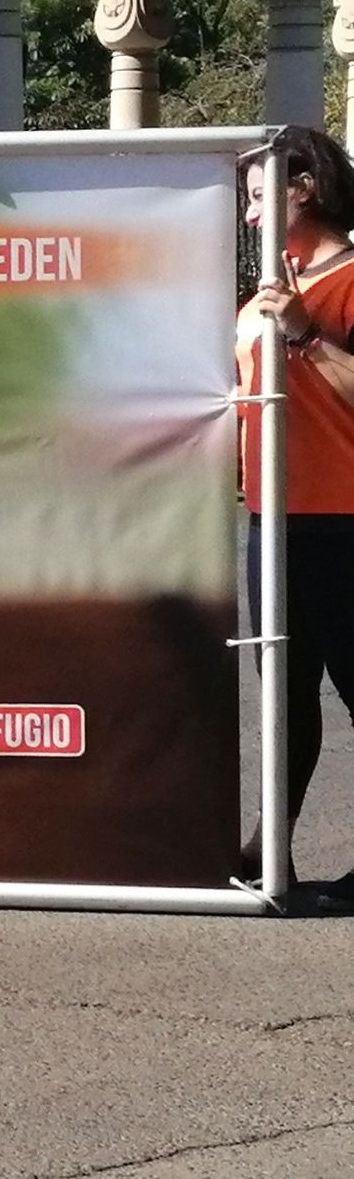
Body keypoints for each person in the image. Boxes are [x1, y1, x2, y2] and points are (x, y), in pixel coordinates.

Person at [237, 124, 354, 910]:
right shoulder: (262, 295)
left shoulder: (346, 282)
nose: (248, 217)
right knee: (281, 693)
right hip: (270, 520)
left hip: (344, 518)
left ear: (302, 186)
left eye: (257, 196)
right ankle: (266, 851)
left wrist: (308, 335)